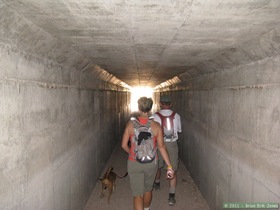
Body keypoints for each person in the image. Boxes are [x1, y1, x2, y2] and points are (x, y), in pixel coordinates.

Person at [121, 97, 174, 210]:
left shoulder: (130, 125)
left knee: (137, 194)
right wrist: (169, 166)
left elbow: (123, 145)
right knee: (148, 189)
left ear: (139, 108)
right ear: (150, 108)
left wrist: (132, 153)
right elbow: (161, 147)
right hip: (151, 163)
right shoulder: (156, 126)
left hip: (134, 162)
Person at [153, 95, 182, 206]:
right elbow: (178, 130)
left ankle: (157, 183)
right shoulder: (177, 116)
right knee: (172, 168)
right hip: (172, 144)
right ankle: (171, 196)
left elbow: (152, 132)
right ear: (170, 104)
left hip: (158, 143)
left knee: (158, 165)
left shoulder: (155, 116)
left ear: (160, 103)